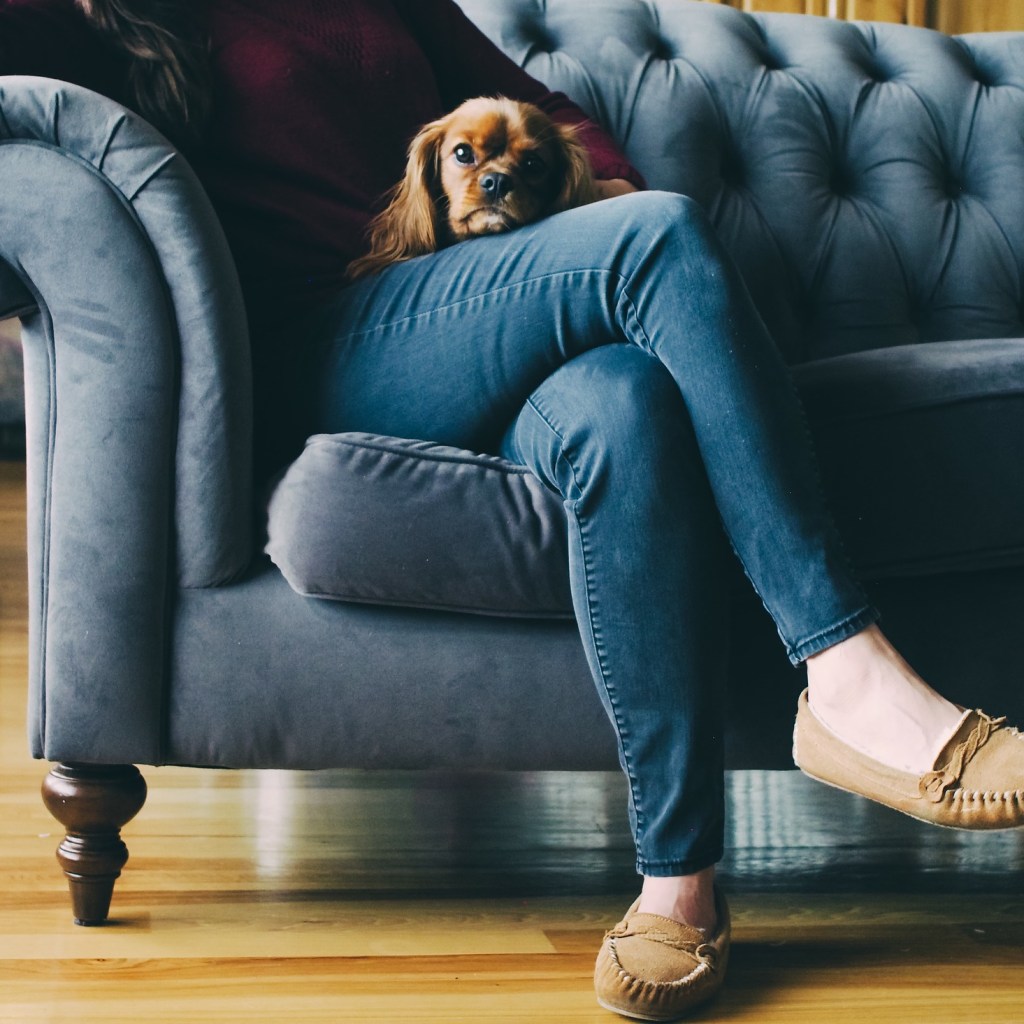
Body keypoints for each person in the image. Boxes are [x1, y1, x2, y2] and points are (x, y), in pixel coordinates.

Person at [2, 1, 1021, 1019]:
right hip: (332, 334)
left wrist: (585, 208)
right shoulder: (110, 19)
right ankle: (847, 674)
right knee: (653, 234)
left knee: (627, 403)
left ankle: (678, 886)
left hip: (490, 304)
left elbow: (550, 109)